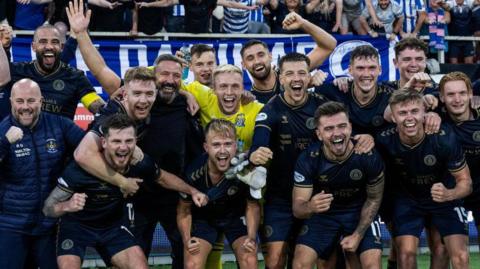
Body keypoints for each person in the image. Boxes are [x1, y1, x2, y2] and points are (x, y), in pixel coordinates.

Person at [66, 2, 207, 267]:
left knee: (184, 252)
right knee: (133, 256)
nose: (170, 79)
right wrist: (81, 34)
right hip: (135, 193)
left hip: (171, 192)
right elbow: (100, 69)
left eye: (176, 76)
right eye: (164, 73)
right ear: (153, 77)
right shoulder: (127, 100)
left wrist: (187, 93)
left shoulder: (185, 100)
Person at [249, 52, 374, 269]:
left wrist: (366, 136)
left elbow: (345, 131)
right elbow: (259, 139)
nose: (296, 78)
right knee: (275, 259)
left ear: (309, 77)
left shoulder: (323, 105)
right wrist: (255, 153)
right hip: (281, 198)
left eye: (301, 73)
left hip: (319, 196)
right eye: (290, 73)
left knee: (326, 261)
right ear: (281, 79)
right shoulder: (270, 110)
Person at [43, 114, 160, 269]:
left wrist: (191, 190)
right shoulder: (78, 170)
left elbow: (163, 178)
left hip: (113, 228)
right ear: (104, 142)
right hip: (76, 227)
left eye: (129, 141)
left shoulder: (139, 164)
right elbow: (47, 209)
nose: (123, 147)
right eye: (116, 141)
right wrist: (67, 206)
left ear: (136, 141)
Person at [376, 89, 471, 269]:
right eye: (402, 113)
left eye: (414, 111)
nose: (409, 118)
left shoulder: (444, 138)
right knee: (405, 255)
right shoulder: (383, 140)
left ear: (424, 113)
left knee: (459, 256)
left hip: (444, 197)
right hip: (407, 199)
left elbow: (466, 183)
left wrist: (449, 194)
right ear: (393, 117)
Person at [0, 78, 85, 268]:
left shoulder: (59, 125)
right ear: (11, 102)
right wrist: (4, 143)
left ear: (41, 101)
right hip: (11, 226)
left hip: (50, 225)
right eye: (20, 101)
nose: (25, 107)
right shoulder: (1, 131)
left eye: (31, 101)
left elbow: (89, 148)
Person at [292, 101, 384, 269]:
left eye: (342, 126)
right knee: (300, 264)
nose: (337, 133)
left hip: (359, 212)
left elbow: (374, 199)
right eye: (328, 129)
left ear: (350, 127)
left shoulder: (368, 156)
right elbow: (298, 209)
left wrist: (357, 235)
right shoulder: (308, 159)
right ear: (319, 134)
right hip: (324, 216)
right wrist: (310, 206)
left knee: (372, 266)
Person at [177, 119, 261, 269]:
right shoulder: (192, 172)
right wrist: (186, 239)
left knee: (250, 259)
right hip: (204, 220)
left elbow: (252, 206)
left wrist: (252, 237)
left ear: (236, 146)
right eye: (216, 145)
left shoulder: (246, 169)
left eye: (228, 144)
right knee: (192, 263)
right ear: (206, 147)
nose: (222, 151)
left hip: (236, 218)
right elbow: (184, 210)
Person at [0, 24, 105, 120]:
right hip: (22, 138)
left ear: (61, 47)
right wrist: (4, 47)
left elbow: (100, 109)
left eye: (54, 42)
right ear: (33, 46)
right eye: (43, 42)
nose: (49, 46)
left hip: (60, 139)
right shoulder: (18, 71)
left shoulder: (75, 77)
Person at [240, 12, 337, 103]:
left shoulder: (291, 71)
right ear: (243, 65)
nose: (257, 61)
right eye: (250, 58)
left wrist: (303, 23)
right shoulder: (250, 100)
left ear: (270, 56)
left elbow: (328, 46)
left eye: (261, 55)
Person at [438, 71, 480, 249]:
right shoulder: (434, 119)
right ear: (441, 97)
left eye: (462, 93)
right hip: (451, 194)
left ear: (471, 94)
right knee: (448, 252)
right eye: (450, 94)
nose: (457, 99)